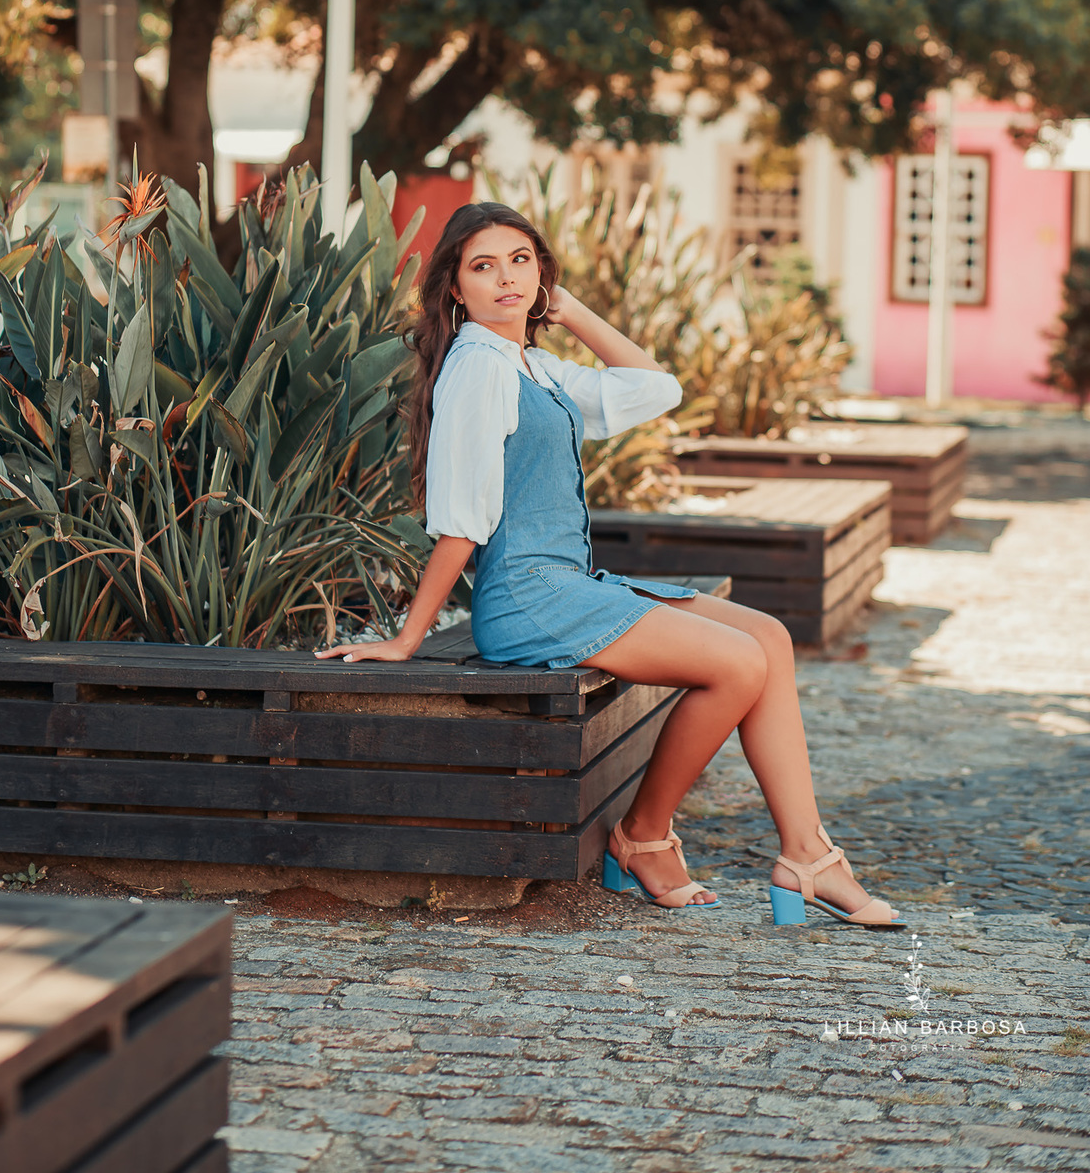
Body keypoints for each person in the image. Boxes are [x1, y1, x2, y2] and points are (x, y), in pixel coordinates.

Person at [317, 201, 902, 928]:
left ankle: (808, 853)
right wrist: (408, 638)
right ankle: (642, 837)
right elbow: (461, 522)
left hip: (568, 586)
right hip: (530, 598)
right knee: (739, 665)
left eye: (521, 261)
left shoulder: (530, 363)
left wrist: (572, 312)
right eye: (483, 266)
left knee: (772, 639)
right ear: (453, 290)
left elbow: (656, 390)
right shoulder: (476, 369)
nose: (507, 279)